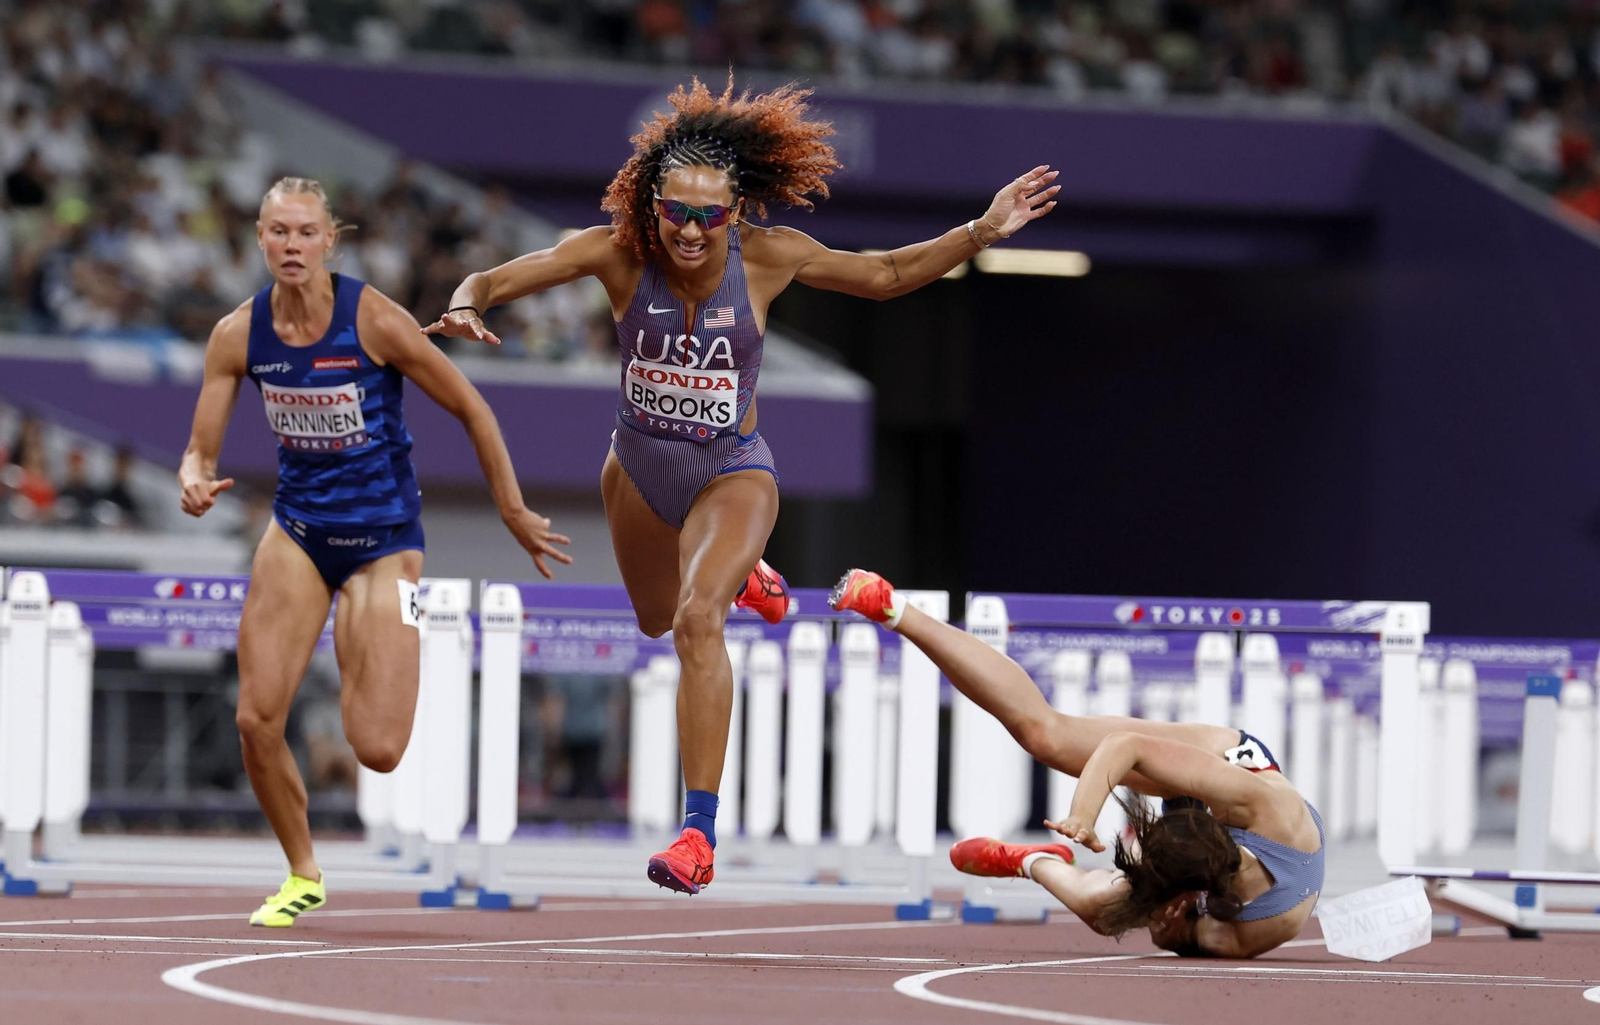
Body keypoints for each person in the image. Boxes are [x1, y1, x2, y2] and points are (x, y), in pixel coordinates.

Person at [426, 77, 1059, 893]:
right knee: (658, 621)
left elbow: (886, 274)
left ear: (737, 212)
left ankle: (696, 833)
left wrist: (981, 230)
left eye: (709, 216)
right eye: (676, 213)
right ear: (650, 206)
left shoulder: (768, 258)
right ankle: (750, 577)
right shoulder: (617, 254)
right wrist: (466, 301)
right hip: (638, 468)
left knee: (697, 621)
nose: (690, 232)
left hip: (732, 471)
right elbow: (503, 277)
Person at [180, 176, 571, 927]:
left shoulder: (375, 320)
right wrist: (194, 480)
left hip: (385, 542)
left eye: (305, 233)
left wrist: (512, 508)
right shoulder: (238, 334)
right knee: (257, 719)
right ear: (260, 240)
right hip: (297, 531)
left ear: (331, 240)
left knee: (379, 748)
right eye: (278, 232)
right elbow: (199, 452)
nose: (291, 246)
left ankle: (371, 634)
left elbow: (472, 407)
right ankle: (302, 872)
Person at [830, 568, 1324, 958]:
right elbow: (1122, 745)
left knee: (1099, 909)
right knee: (1045, 736)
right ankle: (893, 607)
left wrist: (1171, 934)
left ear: (1186, 897)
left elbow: (1166, 940)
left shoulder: (1259, 928)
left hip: (1241, 860)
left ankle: (1031, 861)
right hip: (1225, 767)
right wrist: (1083, 815)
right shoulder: (1254, 801)